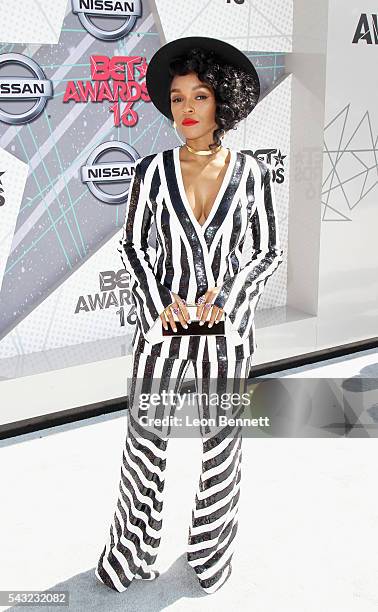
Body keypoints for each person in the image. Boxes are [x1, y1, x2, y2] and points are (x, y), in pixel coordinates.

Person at [94, 36, 284, 595]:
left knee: (223, 445)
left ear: (220, 102)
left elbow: (266, 251)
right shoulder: (150, 172)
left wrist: (226, 297)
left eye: (199, 96)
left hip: (226, 339)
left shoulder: (251, 173)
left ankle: (210, 555)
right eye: (177, 98)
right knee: (144, 442)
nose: (186, 110)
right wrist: (161, 301)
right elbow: (133, 247)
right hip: (160, 335)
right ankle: (130, 553)